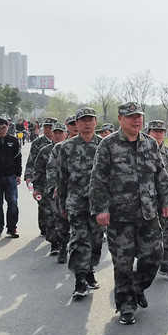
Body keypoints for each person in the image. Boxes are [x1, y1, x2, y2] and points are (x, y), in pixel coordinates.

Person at [90, 102, 168, 325]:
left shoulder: (150, 144)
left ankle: (136, 287)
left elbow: (160, 176)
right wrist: (101, 208)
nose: (136, 120)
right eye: (131, 117)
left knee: (154, 256)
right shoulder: (108, 145)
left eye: (139, 116)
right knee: (123, 263)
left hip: (148, 213)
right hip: (119, 216)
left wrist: (167, 201)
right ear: (120, 119)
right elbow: (98, 180)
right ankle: (126, 305)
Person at [57, 107, 104, 299]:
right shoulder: (66, 148)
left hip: (98, 203)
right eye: (82, 120)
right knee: (79, 240)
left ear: (95, 122)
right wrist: (62, 204)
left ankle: (90, 269)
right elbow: (62, 178)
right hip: (76, 202)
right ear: (76, 124)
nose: (87, 123)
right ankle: (80, 280)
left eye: (90, 119)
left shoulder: (103, 146)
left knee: (96, 240)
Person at [146, 119, 168, 281]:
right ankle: (148, 264)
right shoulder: (144, 152)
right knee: (150, 235)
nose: (159, 134)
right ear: (149, 133)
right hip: (149, 201)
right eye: (155, 131)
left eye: (161, 132)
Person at [32, 122, 68, 257]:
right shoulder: (45, 151)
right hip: (49, 192)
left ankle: (64, 244)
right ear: (52, 134)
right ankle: (54, 244)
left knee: (65, 219)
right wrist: (36, 188)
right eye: (56, 133)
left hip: (68, 192)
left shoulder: (71, 148)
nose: (58, 135)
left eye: (61, 133)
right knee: (51, 218)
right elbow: (38, 171)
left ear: (66, 134)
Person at [24, 116, 56, 236]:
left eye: (50, 127)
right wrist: (28, 176)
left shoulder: (63, 141)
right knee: (42, 204)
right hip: (42, 178)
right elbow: (31, 161)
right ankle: (44, 228)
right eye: (46, 127)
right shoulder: (38, 143)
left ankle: (54, 231)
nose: (48, 130)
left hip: (57, 180)